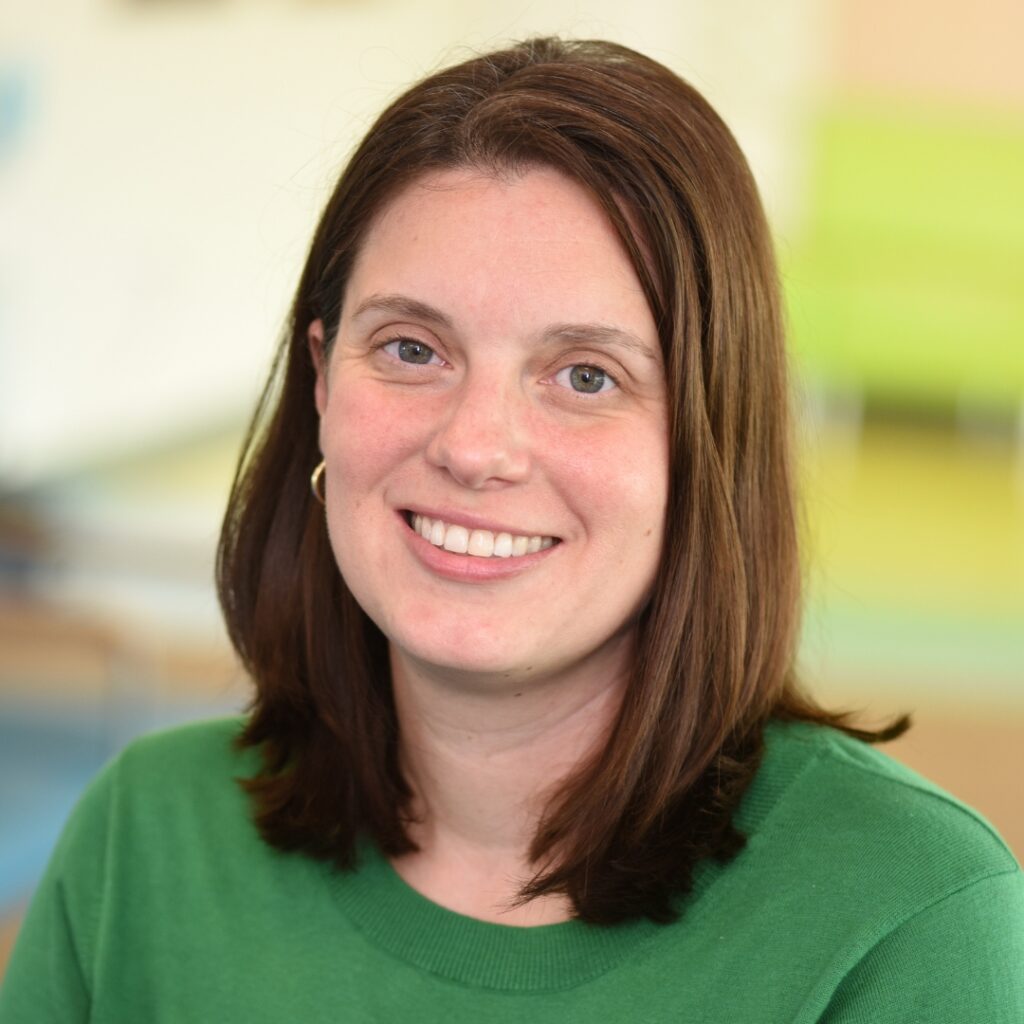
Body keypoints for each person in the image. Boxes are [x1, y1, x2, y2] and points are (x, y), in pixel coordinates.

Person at [1, 36, 1021, 1022]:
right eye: (411, 348)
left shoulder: (907, 920)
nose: (475, 445)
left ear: (716, 432)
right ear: (320, 378)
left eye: (586, 375)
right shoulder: (147, 837)